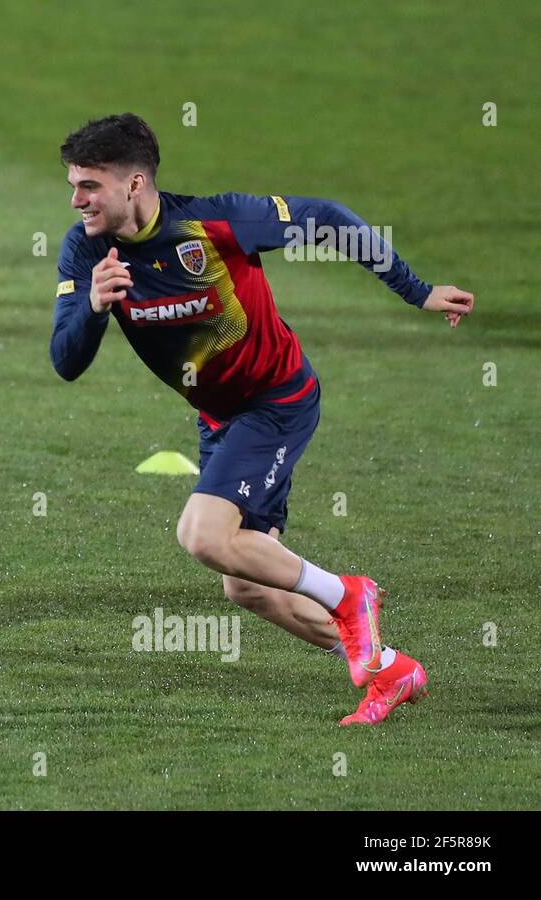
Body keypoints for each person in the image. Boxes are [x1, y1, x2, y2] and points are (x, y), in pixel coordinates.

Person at [50, 114, 475, 725]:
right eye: (73, 184)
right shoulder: (86, 250)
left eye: (89, 185)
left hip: (276, 401)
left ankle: (350, 594)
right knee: (245, 583)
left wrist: (417, 291)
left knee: (201, 536)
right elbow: (65, 362)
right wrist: (93, 307)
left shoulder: (215, 222)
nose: (76, 199)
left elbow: (327, 218)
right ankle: (389, 670)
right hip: (219, 418)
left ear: (135, 183)